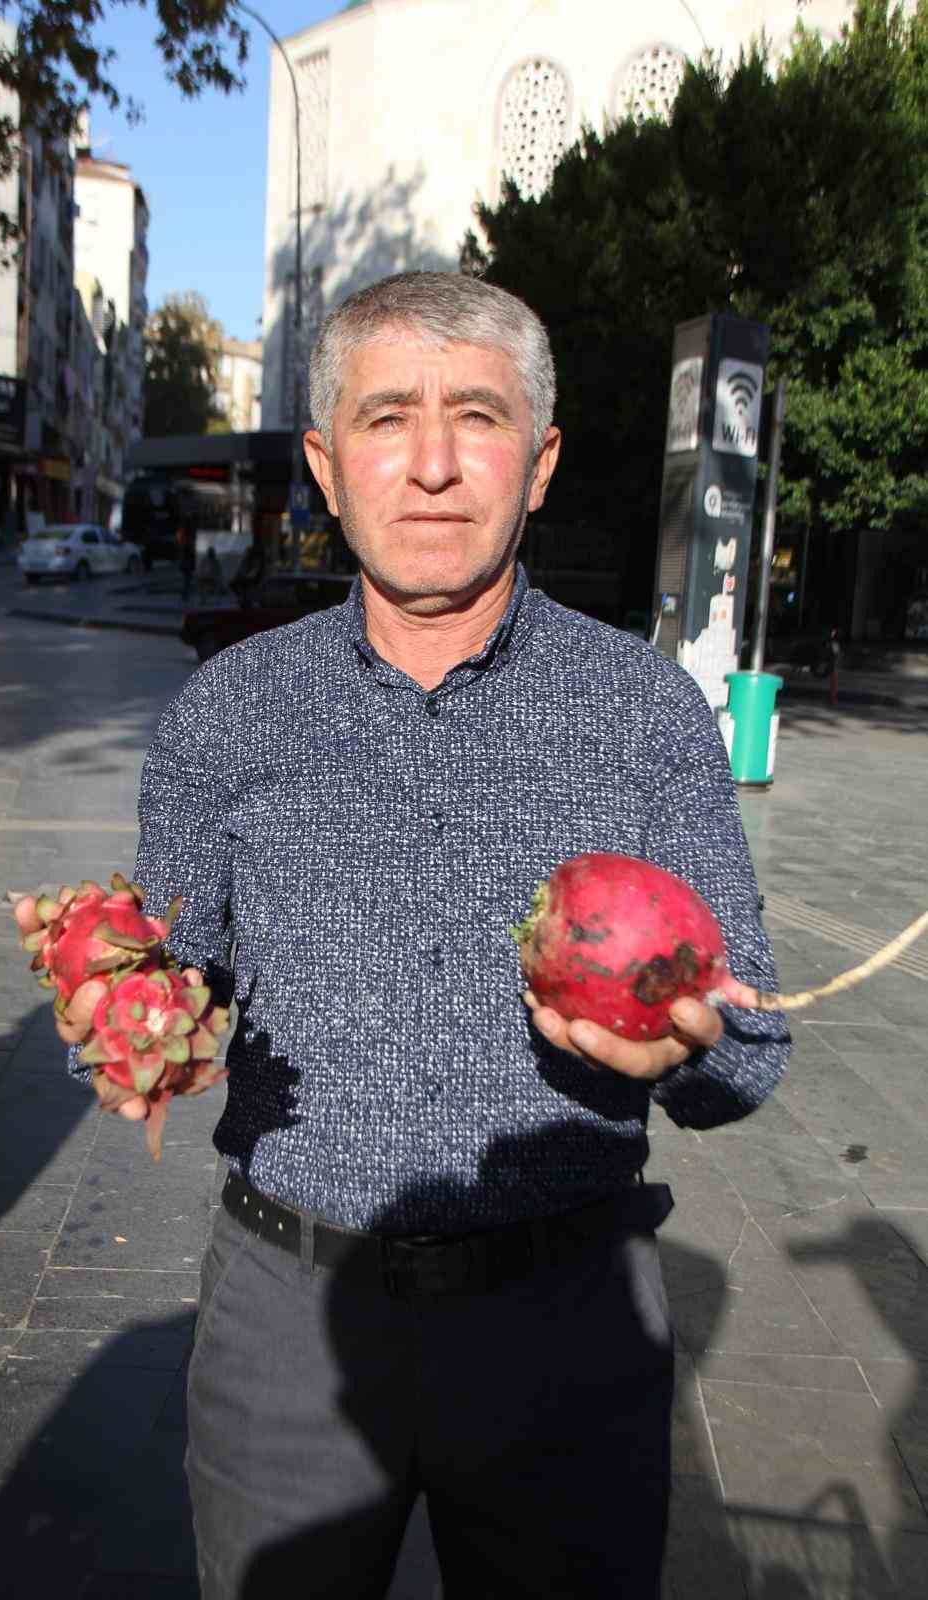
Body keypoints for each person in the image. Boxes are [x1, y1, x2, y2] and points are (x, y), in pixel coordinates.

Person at [47, 272, 790, 1598]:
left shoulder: (645, 715)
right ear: (328, 465)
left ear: (542, 461)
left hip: (565, 1329)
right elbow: (172, 969)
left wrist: (679, 1053)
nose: (435, 465)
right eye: (388, 417)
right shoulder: (228, 712)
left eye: (479, 417)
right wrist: (131, 1012)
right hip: (289, 1329)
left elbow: (752, 1048)